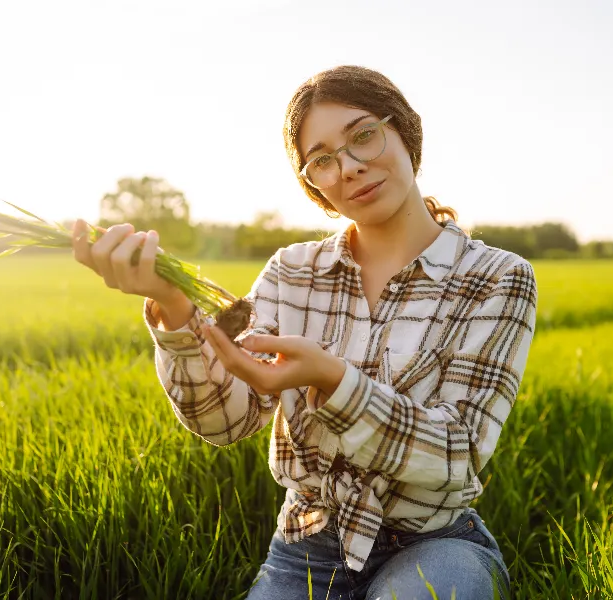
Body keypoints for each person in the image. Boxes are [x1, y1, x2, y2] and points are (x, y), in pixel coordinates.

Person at [73, 65, 537, 600]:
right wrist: (176, 308)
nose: (350, 167)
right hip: (305, 550)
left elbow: (458, 453)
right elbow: (226, 420)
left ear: (405, 131)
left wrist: (335, 383)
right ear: (312, 183)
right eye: (322, 160)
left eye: (364, 135)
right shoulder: (291, 272)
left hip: (435, 543)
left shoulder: (497, 277)